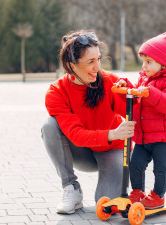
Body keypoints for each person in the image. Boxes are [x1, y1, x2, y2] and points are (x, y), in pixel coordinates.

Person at [41, 30, 136, 214]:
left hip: (113, 148)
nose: (97, 67)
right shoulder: (57, 92)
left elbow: (139, 110)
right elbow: (75, 135)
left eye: (98, 59)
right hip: (82, 151)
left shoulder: (110, 82)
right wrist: (112, 133)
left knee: (107, 206)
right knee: (49, 126)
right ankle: (71, 189)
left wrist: (129, 91)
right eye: (90, 62)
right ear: (71, 65)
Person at [116, 33, 166, 209]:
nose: (144, 66)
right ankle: (137, 192)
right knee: (135, 165)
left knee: (161, 169)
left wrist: (150, 93)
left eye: (149, 62)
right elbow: (137, 92)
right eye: (143, 62)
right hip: (143, 137)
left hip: (162, 139)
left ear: (162, 62)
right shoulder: (144, 78)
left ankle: (158, 196)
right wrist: (126, 85)